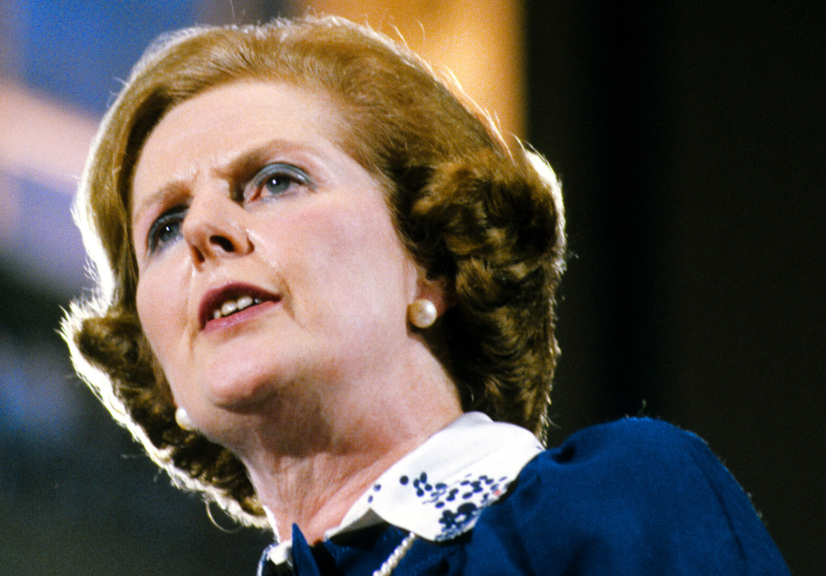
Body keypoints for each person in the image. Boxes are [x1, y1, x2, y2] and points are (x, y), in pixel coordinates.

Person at [61, 16, 789, 575]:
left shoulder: (613, 506)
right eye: (164, 228)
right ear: (161, 372)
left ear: (433, 257)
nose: (203, 231)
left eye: (276, 181)